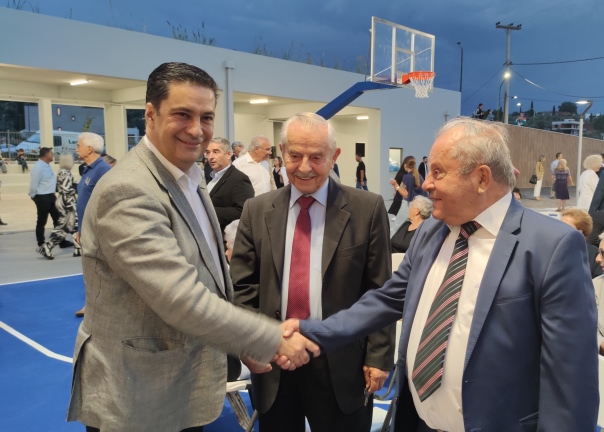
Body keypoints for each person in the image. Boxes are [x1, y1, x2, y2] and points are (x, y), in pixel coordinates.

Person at [290, 117, 597, 432]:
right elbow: (386, 300)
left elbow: (571, 381)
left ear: (481, 178)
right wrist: (312, 331)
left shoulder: (551, 246)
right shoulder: (431, 232)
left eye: (438, 172)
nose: (425, 184)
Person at [66, 63, 319, 432]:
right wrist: (269, 339)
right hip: (139, 397)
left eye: (206, 117)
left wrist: (240, 344)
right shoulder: (129, 190)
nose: (197, 129)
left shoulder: (188, 178)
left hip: (180, 388)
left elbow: (211, 278)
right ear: (150, 115)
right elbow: (181, 299)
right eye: (182, 114)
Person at [230, 112, 395, 432]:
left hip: (343, 363)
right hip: (274, 360)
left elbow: (380, 290)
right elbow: (243, 287)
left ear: (335, 156)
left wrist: (378, 356)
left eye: (316, 157)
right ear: (281, 152)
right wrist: (254, 343)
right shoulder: (257, 209)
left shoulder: (367, 208)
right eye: (295, 156)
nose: (304, 167)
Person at [74, 132, 112, 317]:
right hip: (86, 229)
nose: (76, 149)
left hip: (97, 231)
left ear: (89, 149)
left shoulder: (103, 170)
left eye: (78, 145)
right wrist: (80, 230)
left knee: (100, 271)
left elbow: (108, 202)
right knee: (90, 271)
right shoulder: (87, 169)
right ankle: (92, 305)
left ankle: (100, 307)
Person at [206, 137, 254, 234]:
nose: (210, 156)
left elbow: (243, 212)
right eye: (208, 152)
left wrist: (207, 211)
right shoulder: (211, 177)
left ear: (228, 154)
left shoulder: (239, 179)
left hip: (226, 237)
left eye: (216, 152)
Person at [37, 153, 80, 259]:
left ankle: (78, 248)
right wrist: (78, 188)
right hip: (67, 201)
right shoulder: (65, 173)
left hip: (64, 200)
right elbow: (66, 189)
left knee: (73, 225)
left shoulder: (63, 172)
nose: (74, 162)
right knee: (65, 226)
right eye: (72, 160)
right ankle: (47, 246)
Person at [29, 147, 60, 247]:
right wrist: (33, 196)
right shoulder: (38, 167)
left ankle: (60, 240)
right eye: (51, 154)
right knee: (42, 220)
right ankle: (41, 242)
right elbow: (33, 184)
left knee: (58, 219)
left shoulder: (47, 165)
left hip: (51, 196)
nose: (53, 155)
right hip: (42, 197)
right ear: (47, 155)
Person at [389, 156, 427, 235]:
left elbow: (405, 195)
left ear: (405, 165)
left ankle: (393, 241)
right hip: (421, 205)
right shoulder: (419, 176)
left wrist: (396, 185)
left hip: (409, 204)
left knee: (397, 226)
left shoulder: (406, 177)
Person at [561, 209, 602, 279]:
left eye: (565, 227)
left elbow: (599, 280)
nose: (559, 229)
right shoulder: (553, 250)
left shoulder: (594, 255)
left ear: (579, 232)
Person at [593, 233, 604, 355]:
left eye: (603, 253)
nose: (597, 259)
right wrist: (601, 344)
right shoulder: (596, 285)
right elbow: (587, 328)